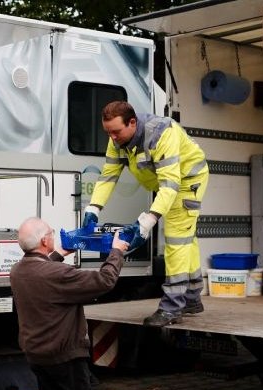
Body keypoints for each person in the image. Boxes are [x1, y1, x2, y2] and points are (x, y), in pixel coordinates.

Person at [9, 217, 128, 390]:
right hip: (64, 355)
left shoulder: (18, 271)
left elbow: (43, 267)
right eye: (50, 233)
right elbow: (104, 280)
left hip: (37, 355)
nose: (53, 235)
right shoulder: (56, 275)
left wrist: (59, 254)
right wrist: (117, 251)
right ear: (43, 241)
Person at [83, 101, 209, 327]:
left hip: (187, 181)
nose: (112, 138)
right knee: (186, 238)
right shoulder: (118, 139)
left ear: (132, 123)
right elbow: (109, 175)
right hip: (168, 184)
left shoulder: (162, 133)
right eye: (108, 132)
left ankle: (172, 307)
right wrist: (93, 208)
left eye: (116, 132)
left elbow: (171, 185)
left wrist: (147, 221)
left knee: (176, 239)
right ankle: (192, 297)